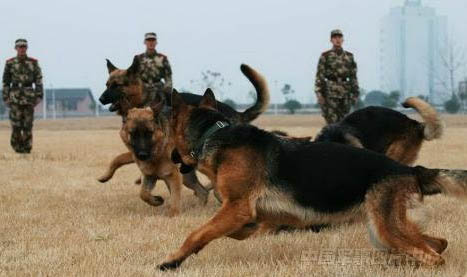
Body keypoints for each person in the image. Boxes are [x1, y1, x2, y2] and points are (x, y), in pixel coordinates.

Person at [2, 39, 43, 153]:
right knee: (16, 125)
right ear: (15, 48)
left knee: (28, 125)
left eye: (24, 47)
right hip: (14, 98)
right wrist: (6, 97)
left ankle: (26, 150)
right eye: (19, 47)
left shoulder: (33, 62)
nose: (22, 49)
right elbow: (5, 82)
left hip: (29, 97)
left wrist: (39, 96)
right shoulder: (10, 63)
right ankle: (17, 148)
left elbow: (39, 80)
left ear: (26, 48)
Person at [315, 29, 359, 124]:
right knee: (332, 121)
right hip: (330, 91)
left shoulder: (349, 56)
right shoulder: (325, 56)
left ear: (343, 39)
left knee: (345, 121)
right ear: (331, 40)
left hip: (345, 91)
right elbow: (320, 75)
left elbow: (353, 76)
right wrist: (319, 93)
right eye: (335, 37)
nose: (337, 39)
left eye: (339, 37)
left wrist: (355, 93)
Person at [134, 32, 172, 105]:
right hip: (142, 88)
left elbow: (168, 76)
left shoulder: (163, 58)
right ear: (145, 42)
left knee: (169, 105)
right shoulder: (138, 58)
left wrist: (168, 87)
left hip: (158, 88)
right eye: (148, 40)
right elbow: (133, 75)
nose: (151, 43)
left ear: (156, 42)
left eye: (153, 40)